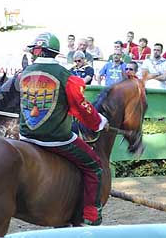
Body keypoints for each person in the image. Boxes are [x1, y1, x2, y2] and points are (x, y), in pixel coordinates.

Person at [20, 32, 108, 226]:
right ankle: (91, 214)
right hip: (55, 137)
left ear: (38, 51)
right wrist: (98, 121)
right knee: (94, 166)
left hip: (25, 134)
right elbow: (80, 106)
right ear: (54, 53)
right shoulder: (65, 76)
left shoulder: (25, 72)